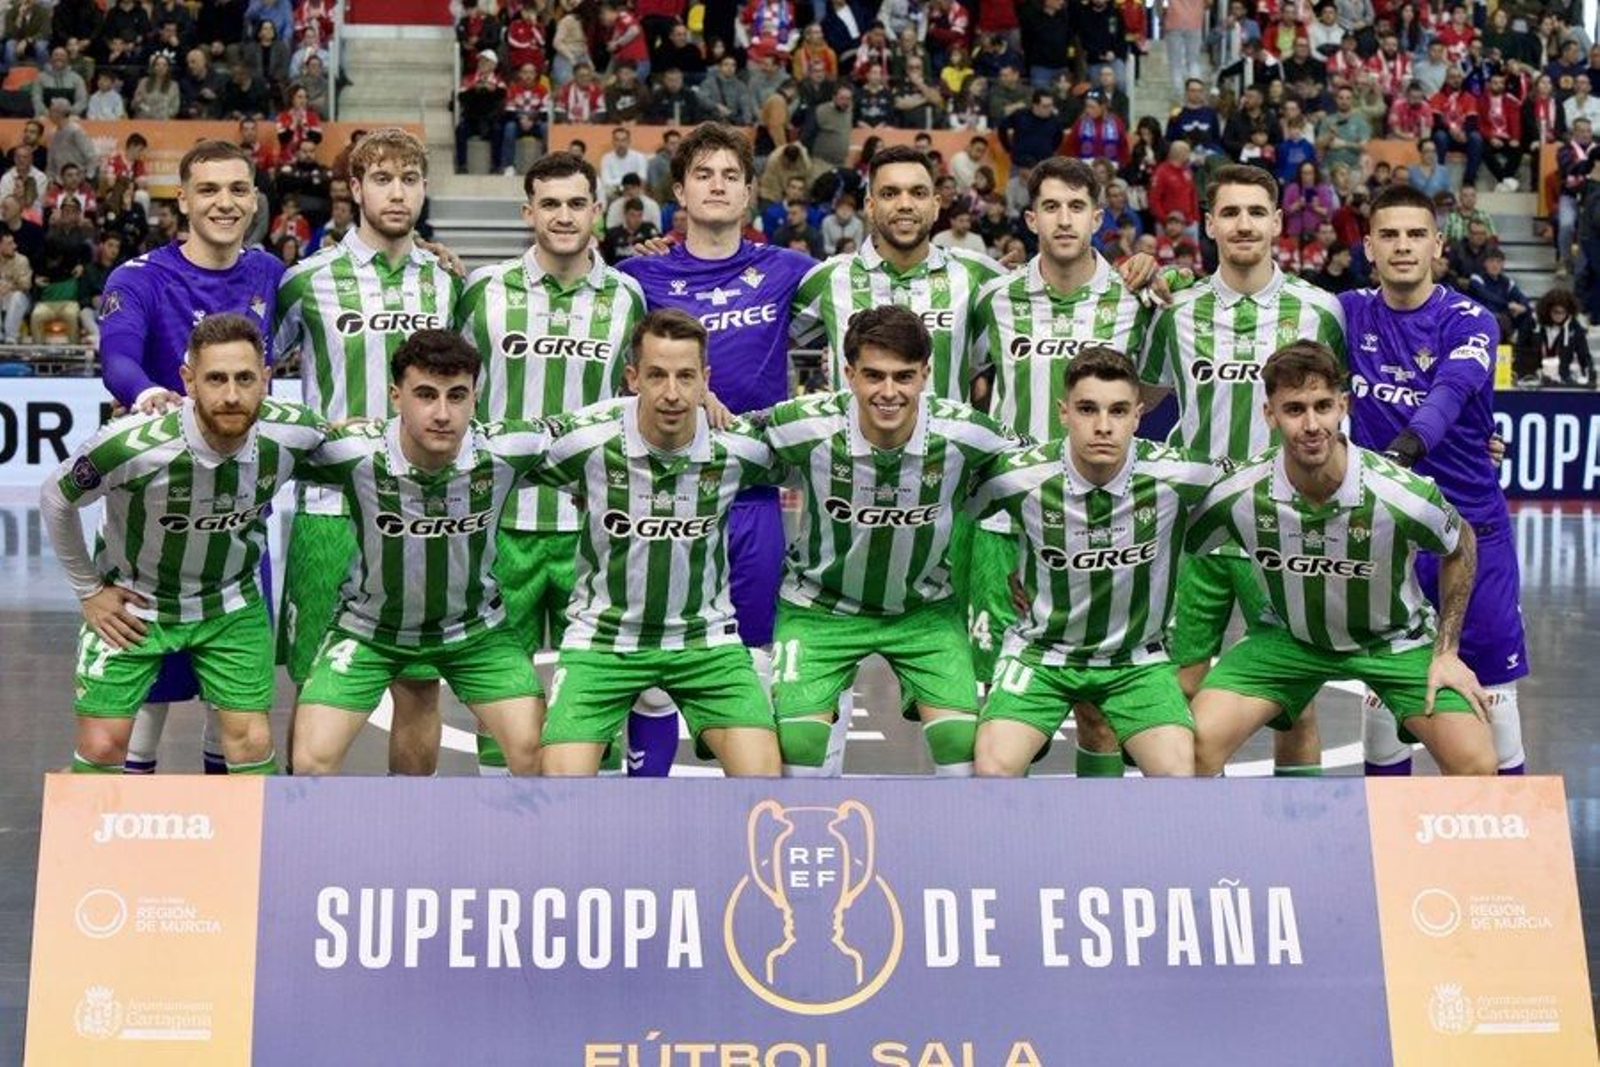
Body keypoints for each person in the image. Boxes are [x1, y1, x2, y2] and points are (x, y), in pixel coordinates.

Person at [1187, 342, 1497, 777]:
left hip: (1395, 640)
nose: (1312, 425)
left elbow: (1461, 543)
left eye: (1323, 406)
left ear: (1343, 406)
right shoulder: (1238, 493)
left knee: (1477, 764)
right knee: (1193, 748)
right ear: (1269, 415)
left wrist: (1447, 651)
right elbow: (1179, 544)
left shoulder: (1398, 493)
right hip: (1289, 639)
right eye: (1294, 409)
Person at [43, 314, 328, 775]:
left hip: (231, 603)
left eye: (245, 378)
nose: (231, 395)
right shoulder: (132, 444)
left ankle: (246, 847)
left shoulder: (296, 431)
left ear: (267, 379)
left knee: (252, 743)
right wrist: (89, 592)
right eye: (215, 379)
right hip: (136, 605)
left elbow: (350, 447)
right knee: (100, 747)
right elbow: (56, 497)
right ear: (188, 380)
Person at [616, 124, 815, 774]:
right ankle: (645, 808)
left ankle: (749, 824)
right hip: (663, 499)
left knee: (754, 667)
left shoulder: (789, 270)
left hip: (753, 500)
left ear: (751, 192)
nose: (719, 185)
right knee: (649, 673)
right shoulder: (636, 276)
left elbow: (872, 295)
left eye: (732, 175)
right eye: (704, 174)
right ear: (679, 191)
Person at [1141, 163, 1346, 776]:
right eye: (1229, 212)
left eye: (1256, 211)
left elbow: (1343, 413)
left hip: (1281, 530)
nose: (1243, 224)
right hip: (1197, 529)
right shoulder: (1175, 311)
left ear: (1278, 222)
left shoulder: (1320, 311)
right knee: (1179, 691)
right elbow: (1140, 400)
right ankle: (1205, 839)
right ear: (1209, 224)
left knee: (1294, 705)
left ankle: (1293, 835)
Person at [273, 128, 462, 775]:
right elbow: (248, 374)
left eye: (409, 179)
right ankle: (306, 828)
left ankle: (407, 840)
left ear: (424, 189)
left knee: (417, 685)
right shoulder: (304, 282)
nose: (397, 192)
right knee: (315, 677)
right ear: (354, 189)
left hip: (420, 514)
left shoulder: (447, 282)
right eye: (381, 179)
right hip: (329, 510)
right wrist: (309, 429)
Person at [762, 306, 1019, 778]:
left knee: (961, 748)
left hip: (923, 611)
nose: (888, 392)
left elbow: (1039, 481)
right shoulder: (801, 425)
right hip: (819, 609)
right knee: (799, 749)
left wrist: (1036, 563)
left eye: (904, 377)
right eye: (873, 376)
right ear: (848, 374)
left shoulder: (967, 433)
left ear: (925, 374)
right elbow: (720, 451)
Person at [97, 141, 286, 775]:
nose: (224, 203)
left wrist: (423, 254)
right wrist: (147, 393)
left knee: (230, 698)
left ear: (254, 198)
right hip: (152, 520)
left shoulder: (270, 274)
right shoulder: (139, 277)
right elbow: (117, 356)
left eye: (237, 189)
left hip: (238, 517)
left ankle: (222, 831)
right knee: (148, 690)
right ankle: (137, 829)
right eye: (208, 190)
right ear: (182, 199)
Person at [967, 157, 1159, 775]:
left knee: (1097, 708)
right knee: (994, 699)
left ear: (1099, 217)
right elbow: (953, 378)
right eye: (1050, 206)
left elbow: (1150, 398)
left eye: (1077, 207)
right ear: (1030, 218)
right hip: (1005, 524)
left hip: (1103, 524)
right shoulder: (993, 299)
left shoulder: (1138, 302)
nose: (1064, 218)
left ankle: (1091, 842)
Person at [459, 152, 649, 775]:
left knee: (596, 693)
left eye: (576, 204)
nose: (563, 217)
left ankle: (596, 833)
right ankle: (495, 826)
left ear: (597, 210)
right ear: (528, 212)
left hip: (598, 528)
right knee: (501, 692)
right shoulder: (484, 291)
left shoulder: (628, 296)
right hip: (502, 524)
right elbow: (447, 388)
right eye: (550, 204)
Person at [290, 332, 555, 776]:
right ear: (397, 396)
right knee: (310, 761)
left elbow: (596, 437)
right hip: (369, 630)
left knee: (536, 750)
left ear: (476, 397)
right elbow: (248, 447)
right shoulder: (354, 454)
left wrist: (698, 406)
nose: (442, 414)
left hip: (475, 632)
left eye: (457, 396)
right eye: (425, 395)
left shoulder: (504, 451)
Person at [536, 310, 784, 777]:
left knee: (763, 782)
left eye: (686, 377)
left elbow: (824, 454)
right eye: (657, 376)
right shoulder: (588, 440)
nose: (672, 393)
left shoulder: (736, 447)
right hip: (602, 642)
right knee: (561, 787)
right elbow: (490, 454)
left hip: (705, 642)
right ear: (633, 378)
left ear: (705, 380)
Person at [1342, 184, 1530, 776]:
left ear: (1438, 245)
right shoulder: (1342, 313)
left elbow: (1448, 394)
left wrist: (1402, 451)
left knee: (1494, 703)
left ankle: (1509, 857)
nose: (1403, 246)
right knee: (1382, 706)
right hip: (1386, 538)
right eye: (1390, 235)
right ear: (1368, 246)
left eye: (1416, 234)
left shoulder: (1470, 318)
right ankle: (1386, 850)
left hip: (1473, 536)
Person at [972, 345, 1221, 776]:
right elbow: (948, 508)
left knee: (1182, 776)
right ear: (1064, 412)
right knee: (994, 768)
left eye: (1119, 411)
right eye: (1088, 409)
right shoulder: (1015, 476)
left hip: (1137, 660)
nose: (1103, 426)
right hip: (1042, 653)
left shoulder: (1183, 475)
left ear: (1139, 416)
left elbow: (1260, 498)